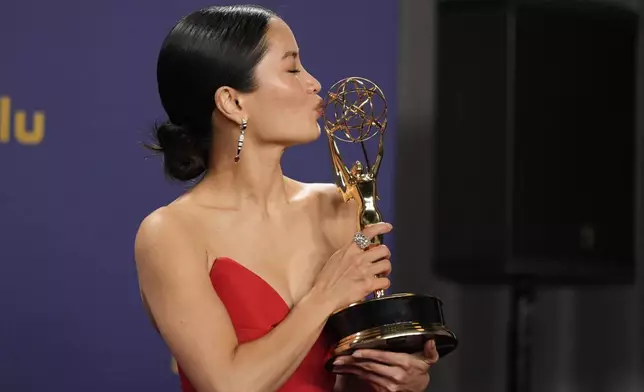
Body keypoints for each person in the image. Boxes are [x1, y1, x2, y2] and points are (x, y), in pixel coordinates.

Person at [134, 5, 439, 392]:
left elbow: (349, 378)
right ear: (233, 102)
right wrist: (325, 295)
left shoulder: (337, 207)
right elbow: (228, 385)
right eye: (292, 68)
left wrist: (398, 377)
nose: (314, 83)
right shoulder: (171, 233)